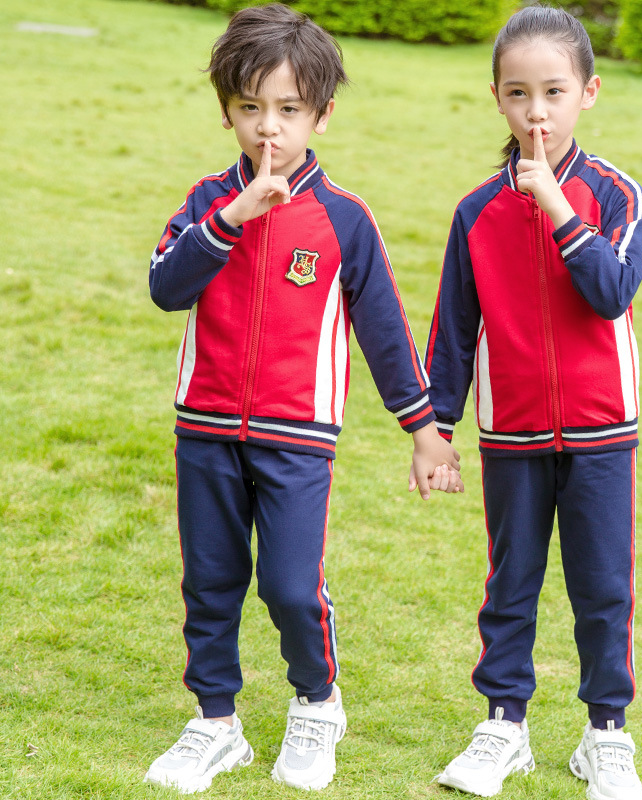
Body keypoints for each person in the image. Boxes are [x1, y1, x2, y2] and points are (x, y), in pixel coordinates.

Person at [143, 4, 462, 794]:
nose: (268, 130)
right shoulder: (205, 201)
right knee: (210, 579)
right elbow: (165, 287)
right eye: (251, 109)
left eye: (287, 111)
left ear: (321, 113)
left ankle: (318, 703)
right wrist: (230, 219)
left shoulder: (344, 219)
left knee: (288, 584)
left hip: (298, 437)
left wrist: (424, 430)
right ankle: (215, 723)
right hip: (206, 428)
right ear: (227, 111)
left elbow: (385, 333)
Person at [423, 5, 642, 799]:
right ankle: (503, 725)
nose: (537, 112)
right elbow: (453, 328)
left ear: (588, 92)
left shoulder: (617, 196)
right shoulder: (476, 212)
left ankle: (605, 735)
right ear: (497, 98)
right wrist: (435, 429)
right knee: (510, 582)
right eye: (518, 94)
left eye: (553, 92)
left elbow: (611, 290)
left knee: (602, 587)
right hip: (511, 433)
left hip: (600, 433)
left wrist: (556, 205)